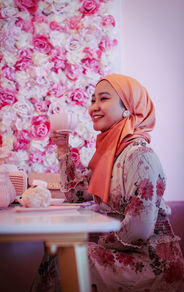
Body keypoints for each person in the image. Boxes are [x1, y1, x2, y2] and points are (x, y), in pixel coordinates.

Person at [31, 74, 184, 292]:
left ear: (128, 108)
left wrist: (91, 238)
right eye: (93, 100)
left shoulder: (139, 156)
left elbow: (138, 232)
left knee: (67, 258)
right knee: (60, 252)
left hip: (149, 262)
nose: (93, 107)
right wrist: (63, 147)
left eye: (103, 99)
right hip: (122, 251)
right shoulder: (110, 154)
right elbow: (76, 195)